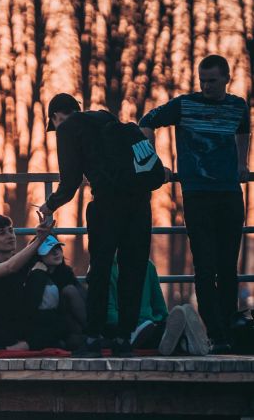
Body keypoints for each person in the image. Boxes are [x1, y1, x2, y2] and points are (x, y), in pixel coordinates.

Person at [139, 55, 251, 353]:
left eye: (212, 80)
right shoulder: (184, 104)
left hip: (229, 193)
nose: (207, 86)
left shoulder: (238, 105)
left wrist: (243, 162)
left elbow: (243, 131)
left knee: (228, 267)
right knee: (204, 267)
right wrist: (154, 163)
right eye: (202, 80)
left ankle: (229, 327)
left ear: (226, 78)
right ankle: (215, 334)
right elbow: (146, 122)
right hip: (197, 193)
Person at [37, 93, 157, 356]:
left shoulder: (68, 129)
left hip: (106, 205)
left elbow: (69, 184)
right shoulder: (106, 119)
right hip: (139, 206)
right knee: (132, 271)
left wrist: (50, 205)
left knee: (100, 270)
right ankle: (125, 338)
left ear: (56, 116)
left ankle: (93, 336)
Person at [0, 215, 53, 350]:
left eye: (11, 231)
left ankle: (23, 346)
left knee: (55, 323)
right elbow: (9, 267)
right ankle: (21, 346)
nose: (10, 236)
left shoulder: (26, 261)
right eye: (2, 233)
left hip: (23, 322)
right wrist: (39, 240)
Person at [25, 236, 86, 349]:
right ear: (38, 256)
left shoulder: (65, 272)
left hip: (66, 322)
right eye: (49, 250)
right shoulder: (34, 275)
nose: (56, 252)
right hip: (47, 326)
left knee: (71, 290)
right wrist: (39, 275)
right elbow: (31, 308)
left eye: (58, 248)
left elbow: (83, 297)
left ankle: (93, 334)